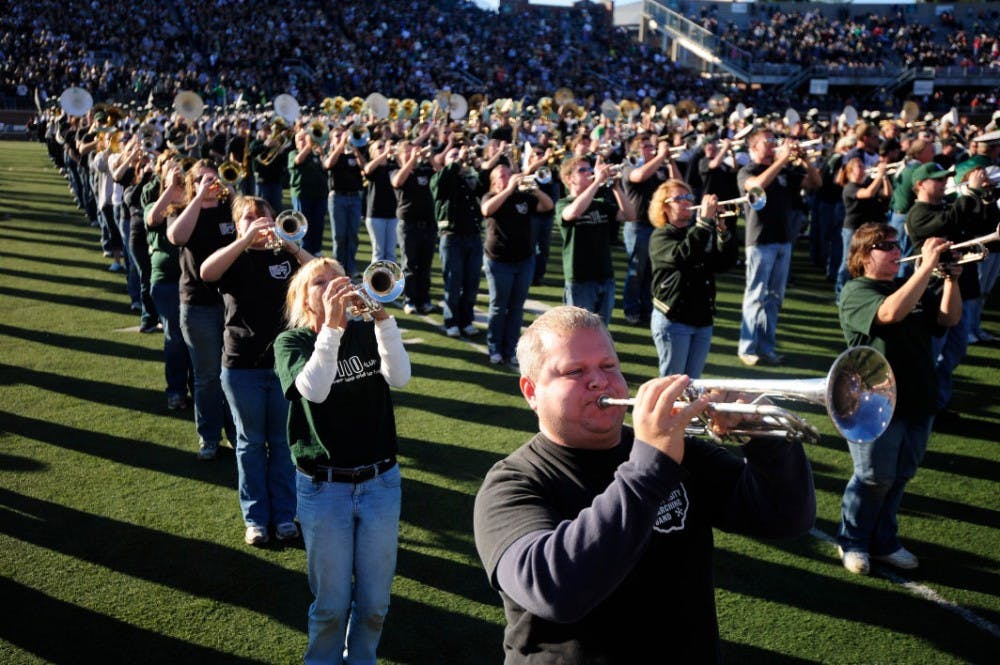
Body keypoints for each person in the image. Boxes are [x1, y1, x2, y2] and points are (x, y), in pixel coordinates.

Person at [473, 305, 816, 663]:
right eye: (574, 371)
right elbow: (554, 590)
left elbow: (785, 517)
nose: (599, 381)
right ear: (531, 391)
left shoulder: (678, 454)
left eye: (609, 366)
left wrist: (764, 436)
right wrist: (650, 465)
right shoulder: (511, 484)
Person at [273, 257, 410, 664]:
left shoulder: (369, 331)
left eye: (338, 278)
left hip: (380, 483)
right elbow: (313, 390)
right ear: (303, 299)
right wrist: (332, 326)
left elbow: (400, 376)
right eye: (319, 282)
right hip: (323, 487)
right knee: (331, 606)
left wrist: (383, 316)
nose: (333, 286)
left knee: (374, 606)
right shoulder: (291, 343)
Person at [836, 223, 962, 575]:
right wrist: (924, 268)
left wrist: (950, 279)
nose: (895, 250)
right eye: (885, 246)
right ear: (863, 256)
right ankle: (853, 540)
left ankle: (884, 540)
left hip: (919, 394)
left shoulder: (910, 286)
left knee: (902, 474)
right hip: (874, 402)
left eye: (896, 244)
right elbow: (889, 313)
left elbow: (949, 318)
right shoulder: (855, 290)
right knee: (873, 476)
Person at [201, 196, 314, 546]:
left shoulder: (285, 255)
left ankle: (283, 516)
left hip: (284, 366)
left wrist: (293, 248)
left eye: (262, 217)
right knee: (249, 444)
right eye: (248, 218)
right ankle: (255, 519)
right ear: (237, 225)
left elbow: (326, 272)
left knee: (282, 444)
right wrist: (245, 240)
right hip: (241, 365)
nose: (258, 222)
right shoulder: (234, 256)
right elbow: (207, 272)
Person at [905, 159, 995, 422]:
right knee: (932, 352)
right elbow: (947, 222)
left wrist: (985, 198)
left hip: (960, 287)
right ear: (921, 185)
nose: (945, 182)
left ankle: (938, 401)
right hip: (933, 291)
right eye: (939, 179)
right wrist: (970, 193)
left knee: (957, 350)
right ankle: (923, 403)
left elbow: (980, 227)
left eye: (946, 178)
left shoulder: (946, 205)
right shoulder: (917, 213)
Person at [166, 159, 237, 460]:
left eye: (214, 179)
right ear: (193, 183)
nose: (211, 184)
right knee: (207, 376)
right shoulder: (183, 211)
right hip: (198, 306)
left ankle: (237, 434)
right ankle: (209, 436)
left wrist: (233, 193)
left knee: (233, 373)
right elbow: (177, 237)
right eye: (204, 180)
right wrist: (197, 198)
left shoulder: (230, 208)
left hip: (233, 303)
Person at [736, 129, 821, 366]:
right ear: (753, 148)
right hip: (760, 240)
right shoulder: (747, 171)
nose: (774, 145)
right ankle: (747, 347)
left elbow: (816, 182)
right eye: (768, 142)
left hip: (783, 240)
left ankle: (766, 348)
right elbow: (757, 187)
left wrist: (805, 160)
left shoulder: (784, 171)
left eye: (775, 141)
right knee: (755, 295)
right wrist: (783, 158)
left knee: (774, 298)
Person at [647, 179, 737, 378]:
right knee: (673, 383)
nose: (687, 202)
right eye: (680, 198)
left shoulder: (698, 232)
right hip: (674, 317)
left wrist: (722, 230)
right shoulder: (660, 236)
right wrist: (705, 222)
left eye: (689, 197)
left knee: (693, 383)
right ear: (664, 207)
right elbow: (683, 256)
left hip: (702, 318)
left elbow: (723, 264)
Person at [480, 164, 554, 367]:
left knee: (516, 307)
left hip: (524, 260)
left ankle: (511, 348)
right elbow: (486, 210)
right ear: (494, 181)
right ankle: (495, 347)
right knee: (498, 306)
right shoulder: (490, 196)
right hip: (499, 261)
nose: (508, 177)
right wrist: (507, 189)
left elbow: (548, 206)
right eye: (502, 175)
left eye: (509, 174)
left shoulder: (522, 197)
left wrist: (535, 189)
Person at [556, 156, 636, 325]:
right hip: (580, 278)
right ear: (569, 179)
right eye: (582, 170)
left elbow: (630, 215)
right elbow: (572, 214)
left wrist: (616, 187)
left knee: (601, 330)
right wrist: (597, 181)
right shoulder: (563, 203)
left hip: (605, 275)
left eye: (590, 169)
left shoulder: (601, 203)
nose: (589, 173)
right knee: (578, 331)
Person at [145, 153, 193, 411]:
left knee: (195, 339)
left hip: (193, 280)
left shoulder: (192, 201)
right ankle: (175, 390)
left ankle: (197, 388)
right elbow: (153, 218)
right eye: (171, 169)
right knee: (175, 338)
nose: (177, 172)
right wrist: (170, 189)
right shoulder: (153, 200)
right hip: (167, 280)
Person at [431, 142, 487, 338]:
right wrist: (457, 163)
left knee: (471, 282)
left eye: (459, 155)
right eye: (452, 156)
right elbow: (439, 187)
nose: (458, 158)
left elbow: (486, 186)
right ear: (445, 161)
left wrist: (477, 164)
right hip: (452, 237)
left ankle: (466, 320)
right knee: (453, 282)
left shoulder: (471, 178)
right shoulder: (441, 177)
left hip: (473, 236)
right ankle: (451, 321)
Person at [391, 139, 438, 315]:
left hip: (428, 224)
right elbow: (397, 182)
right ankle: (409, 299)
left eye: (413, 151)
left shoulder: (425, 171)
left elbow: (442, 178)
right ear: (399, 156)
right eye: (407, 152)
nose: (412, 154)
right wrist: (412, 159)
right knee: (409, 264)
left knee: (425, 265)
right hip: (408, 225)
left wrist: (431, 158)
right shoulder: (397, 171)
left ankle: (424, 299)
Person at [835, 157, 893, 298]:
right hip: (852, 229)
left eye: (863, 166)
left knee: (863, 261)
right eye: (859, 166)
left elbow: (887, 194)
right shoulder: (850, 187)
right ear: (850, 171)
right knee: (848, 261)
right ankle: (840, 293)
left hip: (865, 230)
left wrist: (885, 178)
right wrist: (879, 175)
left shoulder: (866, 184)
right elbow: (868, 194)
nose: (863, 169)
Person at [323, 127, 365, 273]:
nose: (342, 138)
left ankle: (350, 267)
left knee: (352, 235)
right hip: (337, 198)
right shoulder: (330, 154)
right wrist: (341, 144)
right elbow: (328, 164)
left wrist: (355, 149)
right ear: (332, 140)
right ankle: (338, 269)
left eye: (343, 136)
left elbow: (365, 168)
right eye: (337, 136)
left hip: (354, 197)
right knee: (339, 236)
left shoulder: (353, 154)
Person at [289, 128, 329, 256]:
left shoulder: (316, 154)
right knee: (303, 227)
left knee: (318, 226)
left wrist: (322, 153)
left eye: (307, 138)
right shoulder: (293, 153)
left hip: (320, 195)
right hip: (302, 195)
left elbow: (326, 167)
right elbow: (298, 161)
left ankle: (316, 252)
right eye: (301, 139)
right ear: (296, 143)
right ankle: (305, 255)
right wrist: (309, 145)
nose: (305, 142)